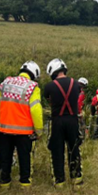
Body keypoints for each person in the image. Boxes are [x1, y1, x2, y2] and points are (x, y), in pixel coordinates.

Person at [0, 61, 44, 189]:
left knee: (4, 157)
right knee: (24, 158)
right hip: (24, 132)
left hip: (4, 129)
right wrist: (39, 130)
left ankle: (4, 184)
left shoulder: (5, 83)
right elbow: (35, 109)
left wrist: (2, 121)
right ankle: (25, 184)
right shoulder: (32, 87)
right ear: (34, 74)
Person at [42, 58, 83, 186]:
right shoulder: (76, 84)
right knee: (74, 148)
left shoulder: (49, 86)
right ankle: (76, 178)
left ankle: (59, 180)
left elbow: (48, 98)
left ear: (52, 72)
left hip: (57, 121)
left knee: (57, 150)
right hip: (73, 120)